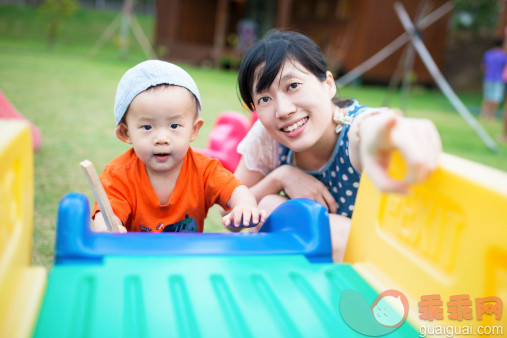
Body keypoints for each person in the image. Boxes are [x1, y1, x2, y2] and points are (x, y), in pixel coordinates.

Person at [234, 31, 441, 262]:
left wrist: (386, 129)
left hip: (379, 271)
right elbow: (230, 213)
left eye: (292, 85)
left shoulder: (355, 129)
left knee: (335, 233)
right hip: (314, 270)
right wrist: (281, 177)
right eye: (264, 99)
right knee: (269, 206)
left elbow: (369, 128)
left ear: (328, 85)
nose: (283, 110)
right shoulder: (267, 136)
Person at [92, 60, 266, 233]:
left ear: (194, 129)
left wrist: (244, 206)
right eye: (147, 127)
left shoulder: (204, 170)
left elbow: (236, 190)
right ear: (125, 133)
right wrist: (108, 229)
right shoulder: (117, 175)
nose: (161, 138)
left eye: (174, 126)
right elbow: (107, 216)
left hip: (187, 259)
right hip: (136, 259)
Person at [480, 38, 507, 120]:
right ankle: (491, 116)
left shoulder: (488, 54)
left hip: (487, 78)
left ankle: (483, 115)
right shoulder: (503, 55)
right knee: (495, 98)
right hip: (499, 79)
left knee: (487, 97)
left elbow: (483, 66)